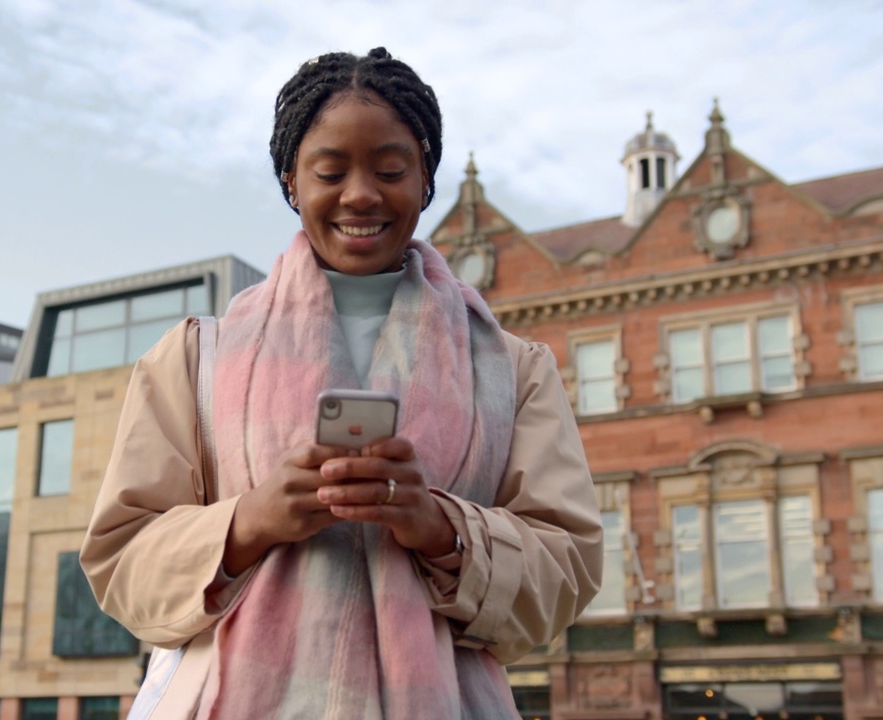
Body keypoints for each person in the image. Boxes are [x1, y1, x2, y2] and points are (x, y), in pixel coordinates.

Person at [80, 47, 602, 718]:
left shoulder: (513, 369)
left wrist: (442, 529)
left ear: (425, 180)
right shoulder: (192, 359)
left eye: (390, 169)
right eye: (330, 171)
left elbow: (569, 568)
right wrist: (250, 521)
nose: (361, 193)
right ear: (291, 181)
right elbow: (121, 560)